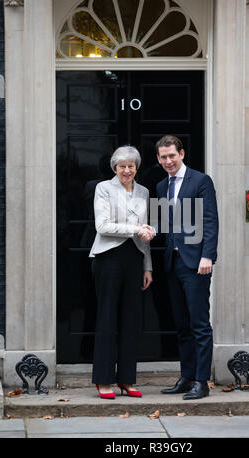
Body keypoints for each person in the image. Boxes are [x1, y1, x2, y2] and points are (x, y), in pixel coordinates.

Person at [154, 135, 219, 400]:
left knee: (199, 324)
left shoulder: (201, 181)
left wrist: (208, 257)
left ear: (182, 154)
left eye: (172, 155)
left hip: (196, 264)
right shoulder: (161, 186)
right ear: (158, 159)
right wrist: (148, 229)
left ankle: (201, 382)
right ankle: (187, 376)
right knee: (181, 325)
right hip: (173, 263)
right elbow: (164, 223)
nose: (168, 161)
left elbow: (210, 221)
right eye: (163, 157)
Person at [89, 145, 154, 399]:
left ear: (136, 167)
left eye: (131, 166)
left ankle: (127, 379)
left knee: (130, 320)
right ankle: (103, 381)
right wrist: (136, 229)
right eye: (122, 166)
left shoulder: (144, 191)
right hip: (108, 257)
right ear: (114, 168)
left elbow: (146, 232)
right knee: (107, 318)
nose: (127, 170)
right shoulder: (104, 188)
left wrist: (148, 266)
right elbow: (102, 225)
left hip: (135, 258)